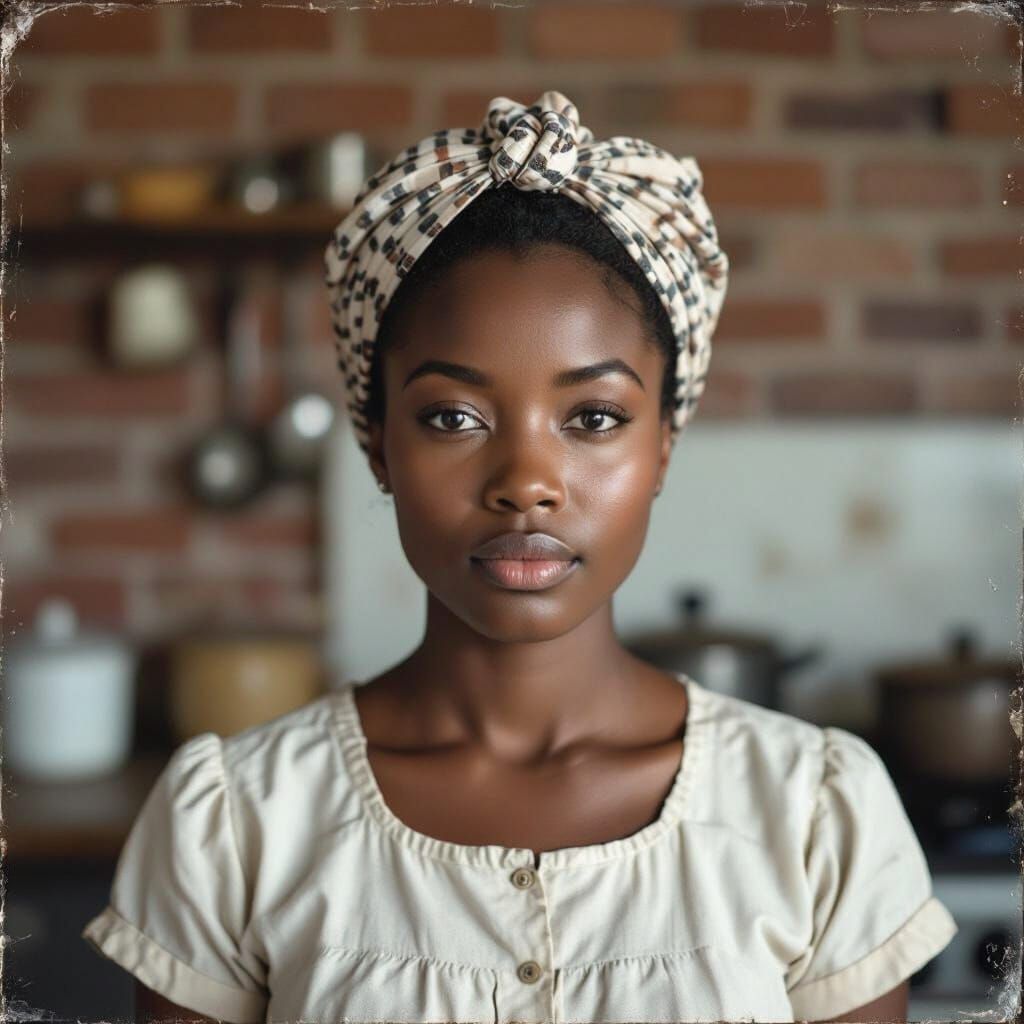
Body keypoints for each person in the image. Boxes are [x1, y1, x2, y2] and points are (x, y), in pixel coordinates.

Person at [82, 90, 957, 1024]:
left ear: (663, 443)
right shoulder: (238, 826)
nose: (527, 482)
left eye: (594, 418)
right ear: (378, 445)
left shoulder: (815, 816)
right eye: (453, 417)